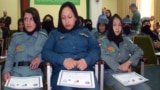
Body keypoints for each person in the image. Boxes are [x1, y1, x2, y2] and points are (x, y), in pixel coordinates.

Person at [42, 2, 100, 90]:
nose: (67, 21)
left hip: (84, 70)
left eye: (70, 17)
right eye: (63, 18)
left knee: (93, 88)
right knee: (66, 88)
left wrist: (86, 61)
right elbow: (45, 52)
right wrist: (63, 60)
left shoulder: (85, 31)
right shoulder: (55, 33)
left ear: (75, 17)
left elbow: (96, 49)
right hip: (62, 71)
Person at [100, 14, 151, 90]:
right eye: (114, 25)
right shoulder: (104, 41)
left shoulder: (126, 40)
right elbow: (104, 55)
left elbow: (139, 51)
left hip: (127, 72)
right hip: (110, 73)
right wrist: (119, 67)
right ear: (110, 26)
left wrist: (128, 63)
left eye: (120, 25)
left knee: (146, 88)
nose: (117, 28)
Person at [2, 7, 48, 90]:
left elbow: (49, 53)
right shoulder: (16, 37)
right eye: (26, 19)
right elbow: (10, 56)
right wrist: (6, 71)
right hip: (15, 73)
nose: (28, 22)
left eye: (31, 19)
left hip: (34, 73)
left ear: (36, 21)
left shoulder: (43, 37)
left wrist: (40, 58)